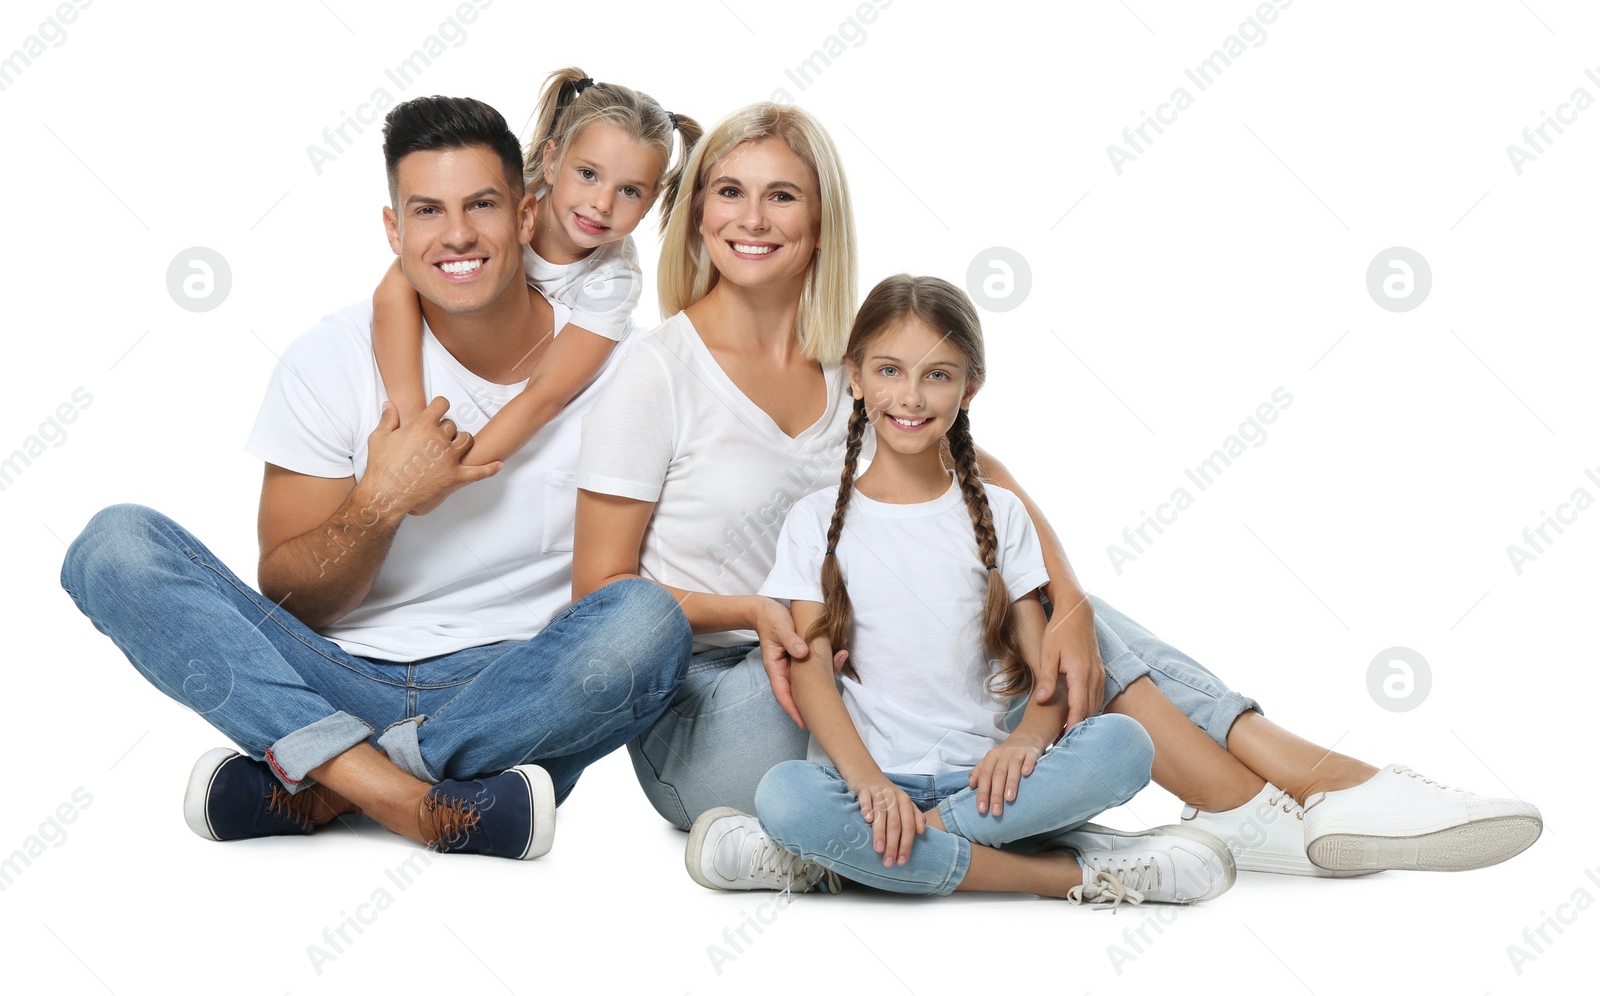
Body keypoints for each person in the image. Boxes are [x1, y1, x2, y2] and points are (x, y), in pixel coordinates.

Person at [574, 100, 1541, 885]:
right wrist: (770, 610)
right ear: (695, 212)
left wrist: (1067, 605)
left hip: (872, 702)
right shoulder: (653, 372)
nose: (753, 217)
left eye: (781, 194)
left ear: (821, 217)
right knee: (1008, 618)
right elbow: (603, 606)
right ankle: (1288, 794)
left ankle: (1284, 795)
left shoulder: (858, 369)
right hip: (727, 721)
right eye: (729, 193)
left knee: (1029, 609)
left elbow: (988, 491)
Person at [58, 95, 691, 860]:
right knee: (114, 545)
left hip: (508, 691)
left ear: (525, 214)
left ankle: (326, 782)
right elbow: (292, 598)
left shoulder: (630, 364)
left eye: (481, 206)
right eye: (428, 211)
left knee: (649, 622)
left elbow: (571, 440)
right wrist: (382, 502)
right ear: (395, 231)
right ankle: (418, 801)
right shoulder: (330, 356)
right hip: (332, 671)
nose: (457, 235)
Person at [691, 274, 1235, 906]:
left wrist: (1028, 741)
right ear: (856, 377)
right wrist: (867, 782)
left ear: (970, 387)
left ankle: (852, 863)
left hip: (987, 788)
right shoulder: (816, 520)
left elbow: (1045, 676)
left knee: (1124, 745)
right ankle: (1072, 875)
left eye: (938, 375)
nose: (911, 396)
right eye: (889, 370)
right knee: (785, 795)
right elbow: (810, 674)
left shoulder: (1001, 515)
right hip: (868, 787)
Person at [372, 69, 700, 475]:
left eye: (630, 190)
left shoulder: (614, 280)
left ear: (651, 202)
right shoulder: (503, 203)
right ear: (550, 161)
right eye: (588, 174)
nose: (602, 203)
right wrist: (411, 428)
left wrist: (445, 475)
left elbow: (545, 393)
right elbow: (397, 284)